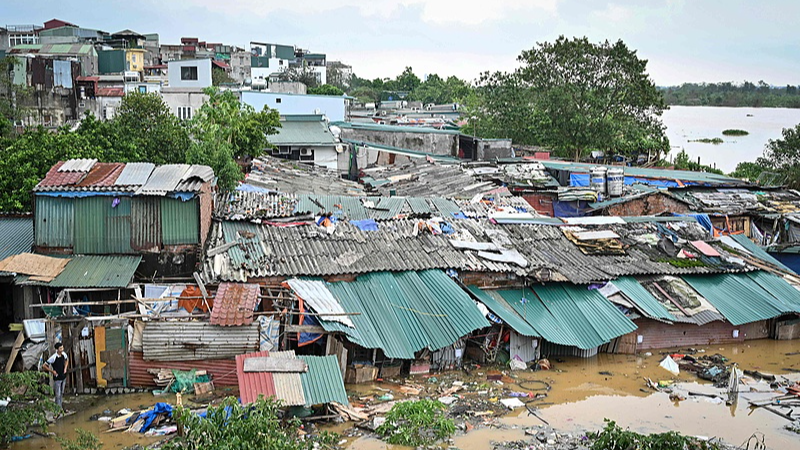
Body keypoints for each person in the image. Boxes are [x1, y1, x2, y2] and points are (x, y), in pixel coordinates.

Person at [43, 342, 68, 410]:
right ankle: (58, 409)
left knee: (61, 393)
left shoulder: (64, 354)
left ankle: (60, 407)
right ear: (57, 349)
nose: (62, 349)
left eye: (62, 348)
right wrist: (52, 371)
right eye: (60, 348)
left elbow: (66, 360)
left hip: (63, 376)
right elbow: (44, 365)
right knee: (58, 394)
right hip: (57, 377)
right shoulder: (53, 357)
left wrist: (65, 368)